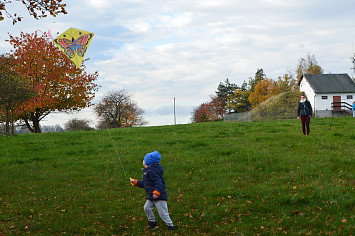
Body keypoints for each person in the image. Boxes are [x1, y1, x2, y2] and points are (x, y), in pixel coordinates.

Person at [130, 151, 177, 231]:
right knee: (146, 208)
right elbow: (146, 183)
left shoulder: (152, 171)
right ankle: (152, 222)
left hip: (159, 196)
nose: (143, 161)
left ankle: (170, 226)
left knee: (162, 213)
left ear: (148, 163)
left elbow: (158, 182)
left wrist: (156, 192)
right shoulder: (147, 171)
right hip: (151, 196)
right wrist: (136, 182)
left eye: (144, 160)